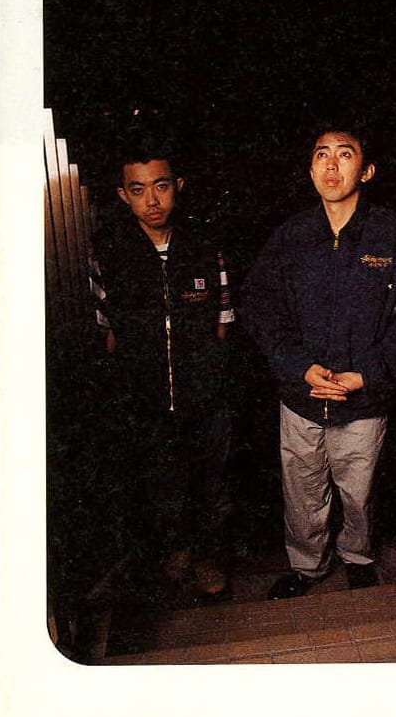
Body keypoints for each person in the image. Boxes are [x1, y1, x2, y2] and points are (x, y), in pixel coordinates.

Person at [241, 121, 396, 599]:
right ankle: (307, 566)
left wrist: (366, 375)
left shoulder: (395, 236)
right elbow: (262, 310)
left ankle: (359, 557)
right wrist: (298, 367)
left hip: (363, 397)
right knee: (302, 489)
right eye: (321, 154)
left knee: (359, 490)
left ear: (366, 171)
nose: (331, 165)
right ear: (310, 168)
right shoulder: (291, 237)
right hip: (301, 395)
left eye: (344, 154)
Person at [90, 135, 235, 601]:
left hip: (204, 398)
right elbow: (108, 334)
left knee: (211, 482)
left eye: (161, 186)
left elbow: (222, 325)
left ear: (178, 186)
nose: (151, 200)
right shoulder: (109, 255)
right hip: (146, 400)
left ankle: (208, 556)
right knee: (160, 482)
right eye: (138, 189)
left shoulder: (205, 249)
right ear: (123, 195)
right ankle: (177, 552)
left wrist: (205, 379)